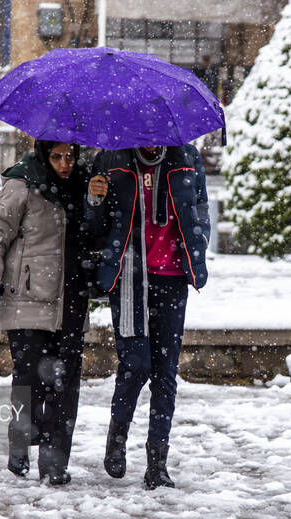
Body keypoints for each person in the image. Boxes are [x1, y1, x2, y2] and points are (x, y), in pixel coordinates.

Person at [86, 144, 210, 489]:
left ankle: (157, 462)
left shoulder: (186, 157)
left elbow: (200, 211)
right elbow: (95, 228)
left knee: (166, 373)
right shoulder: (111, 158)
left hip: (171, 281)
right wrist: (94, 199)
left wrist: (196, 252)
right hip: (129, 277)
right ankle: (117, 439)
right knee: (136, 364)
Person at [0, 140, 91, 485]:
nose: (65, 163)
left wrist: (97, 200)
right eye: (56, 156)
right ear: (43, 154)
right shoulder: (22, 184)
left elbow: (98, 235)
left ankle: (55, 464)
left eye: (70, 156)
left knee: (64, 386)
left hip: (71, 300)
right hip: (26, 299)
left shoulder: (85, 186)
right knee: (30, 379)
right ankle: (20, 437)